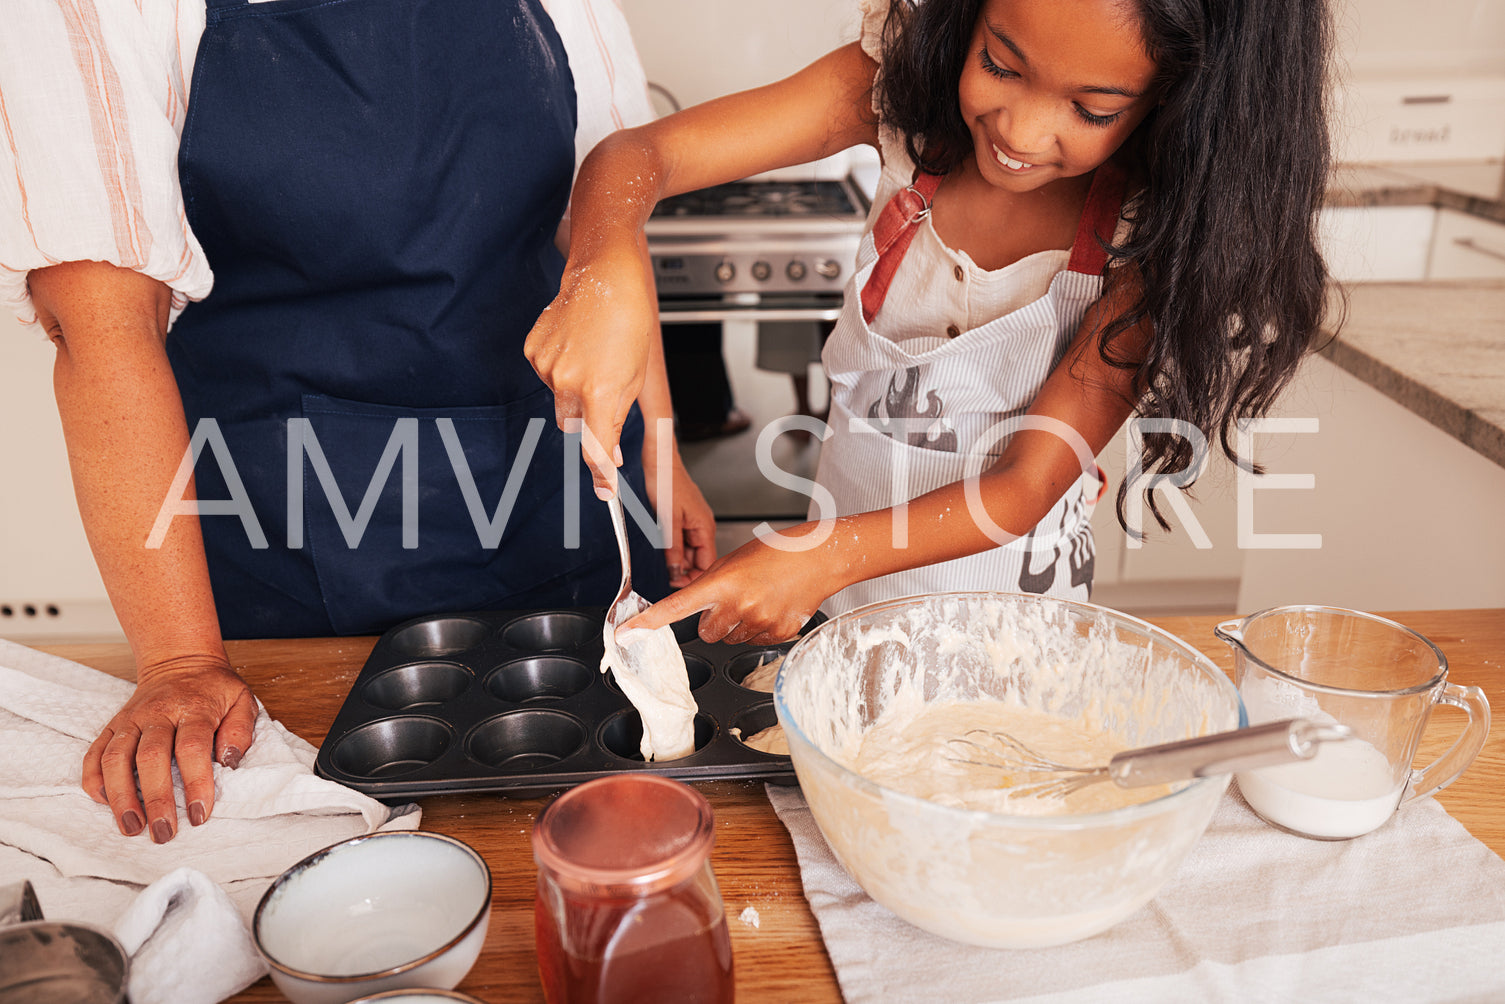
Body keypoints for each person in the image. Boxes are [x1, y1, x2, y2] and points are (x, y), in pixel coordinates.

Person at [2, 0, 714, 842]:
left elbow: (603, 241)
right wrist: (179, 662)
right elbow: (101, 328)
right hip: (309, 529)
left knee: (615, 824)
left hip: (563, 482)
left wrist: (660, 457)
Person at [526, 0, 1336, 645]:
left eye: (1090, 108)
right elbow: (636, 158)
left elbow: (1022, 490)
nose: (1019, 131)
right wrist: (606, 263)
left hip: (1010, 633)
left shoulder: (1147, 233)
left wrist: (814, 557)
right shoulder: (902, 96)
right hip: (838, 606)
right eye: (999, 64)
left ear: (1174, 98)